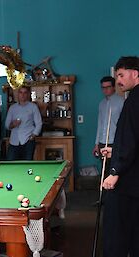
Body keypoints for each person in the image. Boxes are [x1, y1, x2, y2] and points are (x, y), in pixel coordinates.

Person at [101, 56, 139, 257]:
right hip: (134, 178)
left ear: (135, 73)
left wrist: (115, 171)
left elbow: (130, 138)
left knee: (116, 232)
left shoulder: (134, 100)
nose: (119, 81)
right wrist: (115, 150)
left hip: (129, 181)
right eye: (117, 76)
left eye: (122, 75)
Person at [92, 76, 124, 176]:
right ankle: (105, 191)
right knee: (104, 171)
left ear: (113, 87)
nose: (105, 90)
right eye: (103, 87)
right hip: (102, 142)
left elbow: (124, 125)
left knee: (115, 171)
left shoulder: (122, 102)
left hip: (115, 142)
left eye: (108, 87)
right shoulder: (101, 104)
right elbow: (100, 124)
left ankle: (115, 191)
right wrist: (96, 144)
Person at [5, 86, 42, 160]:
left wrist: (33, 136)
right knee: (10, 163)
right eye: (21, 92)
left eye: (25, 93)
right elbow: (6, 125)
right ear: (18, 94)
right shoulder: (12, 108)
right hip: (14, 141)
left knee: (27, 163)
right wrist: (13, 124)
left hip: (28, 140)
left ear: (28, 94)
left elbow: (39, 123)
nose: (23, 95)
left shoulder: (33, 107)